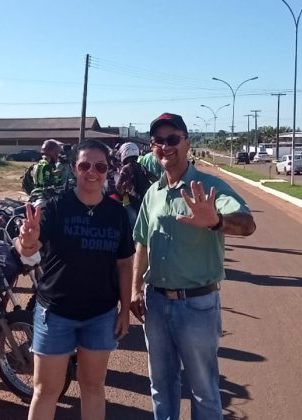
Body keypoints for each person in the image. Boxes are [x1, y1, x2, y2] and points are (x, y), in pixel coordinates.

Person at [131, 113, 256, 420]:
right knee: (161, 384)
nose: (166, 146)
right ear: (152, 147)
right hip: (155, 303)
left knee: (203, 389)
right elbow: (142, 242)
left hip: (197, 305)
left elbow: (247, 225)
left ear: (188, 143)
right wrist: (135, 289)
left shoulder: (209, 187)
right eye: (159, 141)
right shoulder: (153, 193)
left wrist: (216, 221)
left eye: (173, 139)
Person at [16, 140, 135, 420]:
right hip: (55, 312)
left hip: (100, 314)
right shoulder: (56, 207)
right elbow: (27, 251)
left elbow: (124, 264)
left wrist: (125, 310)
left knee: (93, 387)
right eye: (84, 165)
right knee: (47, 390)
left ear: (108, 170)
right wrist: (27, 240)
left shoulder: (117, 213)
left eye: (100, 166)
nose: (92, 172)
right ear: (73, 168)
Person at [114, 142, 153, 228]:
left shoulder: (125, 168)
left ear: (124, 153)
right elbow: (153, 178)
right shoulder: (141, 166)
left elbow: (118, 186)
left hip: (130, 199)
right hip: (143, 199)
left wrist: (122, 191)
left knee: (131, 222)